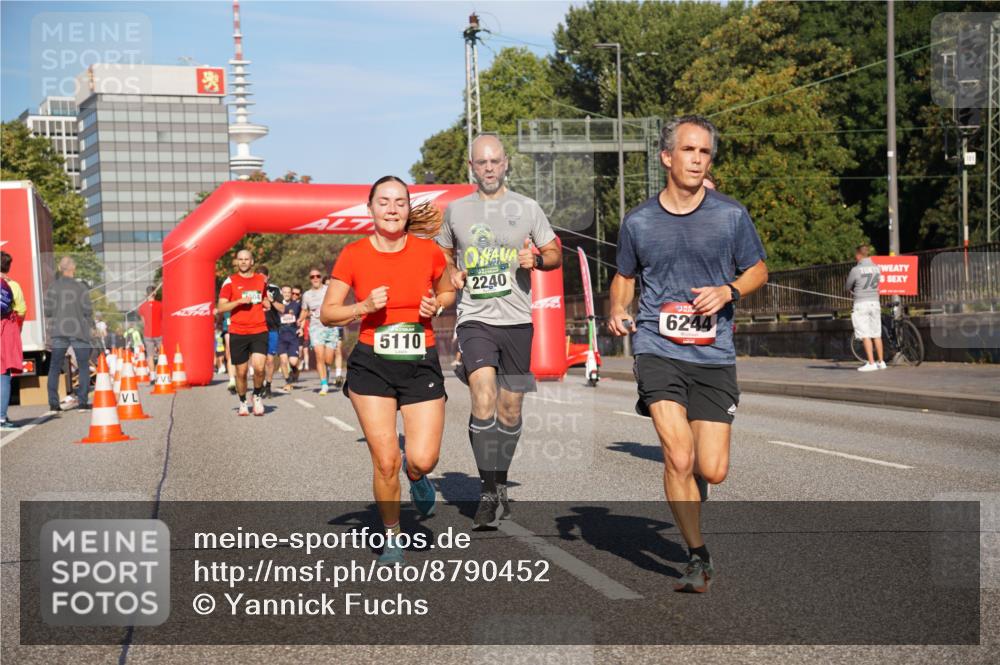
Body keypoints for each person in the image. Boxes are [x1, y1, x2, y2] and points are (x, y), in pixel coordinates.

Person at [609, 115, 768, 593]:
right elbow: (625, 276)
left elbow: (759, 270)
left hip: (713, 353)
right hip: (658, 347)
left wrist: (728, 291)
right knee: (678, 455)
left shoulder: (730, 215)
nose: (698, 159)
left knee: (711, 469)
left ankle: (691, 500)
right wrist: (618, 308)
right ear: (667, 157)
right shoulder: (638, 221)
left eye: (705, 153)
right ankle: (697, 557)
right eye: (689, 151)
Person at [321, 175, 455, 565]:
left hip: (420, 362)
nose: (392, 208)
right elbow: (328, 313)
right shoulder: (354, 254)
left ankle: (417, 479)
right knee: (385, 461)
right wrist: (362, 308)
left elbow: (447, 290)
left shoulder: (428, 252)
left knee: (421, 459)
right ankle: (392, 534)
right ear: (370, 209)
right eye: (384, 202)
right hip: (371, 365)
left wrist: (438, 305)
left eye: (400, 201)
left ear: (408, 208)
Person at [436, 134, 561, 529]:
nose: (488, 168)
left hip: (518, 321)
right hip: (475, 318)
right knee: (484, 395)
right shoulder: (456, 211)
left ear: (506, 163)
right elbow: (439, 252)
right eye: (481, 162)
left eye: (495, 161)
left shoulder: (527, 208)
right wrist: (450, 272)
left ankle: (500, 481)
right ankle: (488, 492)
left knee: (510, 411)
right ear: (471, 167)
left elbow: (555, 252)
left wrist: (538, 259)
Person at [217, 249, 271, 416]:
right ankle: (242, 401)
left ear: (252, 261)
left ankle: (256, 396)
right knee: (241, 372)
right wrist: (239, 301)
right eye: (240, 259)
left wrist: (266, 302)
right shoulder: (230, 281)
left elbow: (263, 298)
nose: (243, 262)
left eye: (246, 259)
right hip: (238, 331)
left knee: (260, 368)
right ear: (237, 262)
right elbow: (221, 307)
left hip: (259, 328)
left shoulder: (261, 280)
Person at [44, 256, 94, 412]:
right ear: (74, 268)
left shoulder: (53, 287)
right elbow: (88, 311)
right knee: (84, 366)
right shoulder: (81, 288)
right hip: (79, 331)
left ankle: (54, 404)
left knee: (55, 366)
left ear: (60, 268)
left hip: (59, 331)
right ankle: (83, 402)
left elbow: (48, 311)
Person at [846, 244, 885, 371]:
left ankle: (871, 363)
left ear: (859, 255)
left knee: (865, 334)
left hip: (861, 304)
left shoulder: (855, 270)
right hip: (875, 302)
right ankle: (881, 362)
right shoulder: (877, 268)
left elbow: (848, 287)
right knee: (876, 334)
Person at [299, 268, 335, 394]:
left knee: (328, 360)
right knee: (319, 356)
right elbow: (304, 310)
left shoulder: (328, 290)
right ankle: (324, 384)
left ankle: (327, 369)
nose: (315, 278)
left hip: (331, 327)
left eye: (317, 276)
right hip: (315, 328)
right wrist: (300, 321)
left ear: (321, 277)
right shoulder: (307, 295)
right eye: (312, 277)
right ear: (310, 279)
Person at [1, 252, 26, 429]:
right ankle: (1, 417)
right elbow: (21, 310)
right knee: (3, 375)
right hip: (4, 331)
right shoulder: (12, 285)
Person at [257, 265, 285, 397]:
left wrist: (272, 300)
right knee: (258, 361)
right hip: (256, 328)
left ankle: (267, 386)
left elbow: (282, 309)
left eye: (264, 277)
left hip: (272, 328)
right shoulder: (251, 289)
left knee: (269, 360)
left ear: (268, 277)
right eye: (259, 277)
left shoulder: (274, 289)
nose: (261, 280)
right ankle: (259, 385)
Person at [277, 285, 302, 392]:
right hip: (281, 337)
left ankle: (296, 370)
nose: (287, 294)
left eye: (289, 292)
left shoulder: (296, 305)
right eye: (285, 292)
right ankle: (288, 382)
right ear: (281, 293)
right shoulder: (277, 305)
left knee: (293, 362)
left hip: (293, 337)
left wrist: (301, 328)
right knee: (283, 361)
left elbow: (303, 315)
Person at [138, 285, 162, 376]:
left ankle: (152, 376)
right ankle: (159, 372)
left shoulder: (142, 307)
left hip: (148, 334)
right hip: (159, 333)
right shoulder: (160, 305)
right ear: (154, 293)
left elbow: (144, 323)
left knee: (150, 355)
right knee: (161, 354)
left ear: (146, 294)